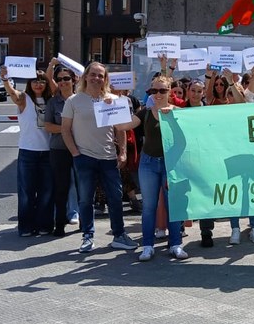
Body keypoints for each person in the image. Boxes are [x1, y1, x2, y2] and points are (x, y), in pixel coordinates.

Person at [61, 61, 138, 254]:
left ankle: (119, 235)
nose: (96, 78)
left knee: (115, 198)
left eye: (100, 75)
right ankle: (88, 236)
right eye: (93, 74)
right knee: (86, 199)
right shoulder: (73, 101)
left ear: (105, 79)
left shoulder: (113, 99)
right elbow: (65, 129)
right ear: (86, 76)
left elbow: (120, 129)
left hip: (109, 158)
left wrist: (122, 152)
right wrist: (75, 153)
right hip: (84, 157)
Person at [124, 74, 189, 262]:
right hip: (148, 163)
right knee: (148, 206)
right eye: (154, 90)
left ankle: (175, 244)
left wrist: (173, 117)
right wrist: (110, 107)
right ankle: (147, 246)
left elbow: (186, 138)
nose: (158, 94)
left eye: (162, 90)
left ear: (169, 92)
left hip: (171, 163)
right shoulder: (144, 112)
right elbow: (123, 125)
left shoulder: (178, 112)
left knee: (172, 205)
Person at [2, 66, 54, 237]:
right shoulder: (24, 98)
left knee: (46, 192)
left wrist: (52, 66)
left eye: (42, 82)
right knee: (26, 192)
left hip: (48, 152)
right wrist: (5, 79)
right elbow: (12, 93)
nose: (38, 85)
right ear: (29, 84)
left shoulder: (51, 100)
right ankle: (25, 227)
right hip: (28, 152)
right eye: (35, 81)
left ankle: (44, 225)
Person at [44, 61, 80, 236]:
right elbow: (48, 126)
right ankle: (59, 224)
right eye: (59, 79)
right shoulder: (53, 102)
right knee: (61, 188)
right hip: (59, 150)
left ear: (73, 80)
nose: (63, 82)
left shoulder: (81, 100)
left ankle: (85, 225)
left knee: (83, 188)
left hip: (81, 149)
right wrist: (66, 129)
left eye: (66, 78)